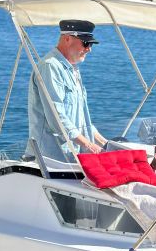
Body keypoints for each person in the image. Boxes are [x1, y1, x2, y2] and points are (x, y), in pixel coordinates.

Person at [28, 19, 108, 161]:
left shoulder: (73, 69)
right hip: (48, 162)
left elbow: (81, 120)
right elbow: (57, 118)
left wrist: (106, 144)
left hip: (70, 158)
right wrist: (89, 145)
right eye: (86, 43)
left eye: (91, 44)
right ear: (67, 39)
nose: (89, 49)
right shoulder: (50, 67)